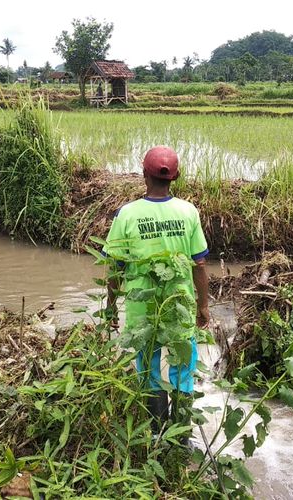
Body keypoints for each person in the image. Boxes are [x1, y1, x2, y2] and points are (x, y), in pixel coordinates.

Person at [104, 146, 210, 440]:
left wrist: (111, 306)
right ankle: (180, 440)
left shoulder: (127, 214)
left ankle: (154, 434)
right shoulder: (188, 212)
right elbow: (199, 264)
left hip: (143, 311)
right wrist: (203, 307)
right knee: (183, 372)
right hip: (179, 307)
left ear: (144, 175)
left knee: (148, 372)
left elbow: (116, 266)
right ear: (175, 177)